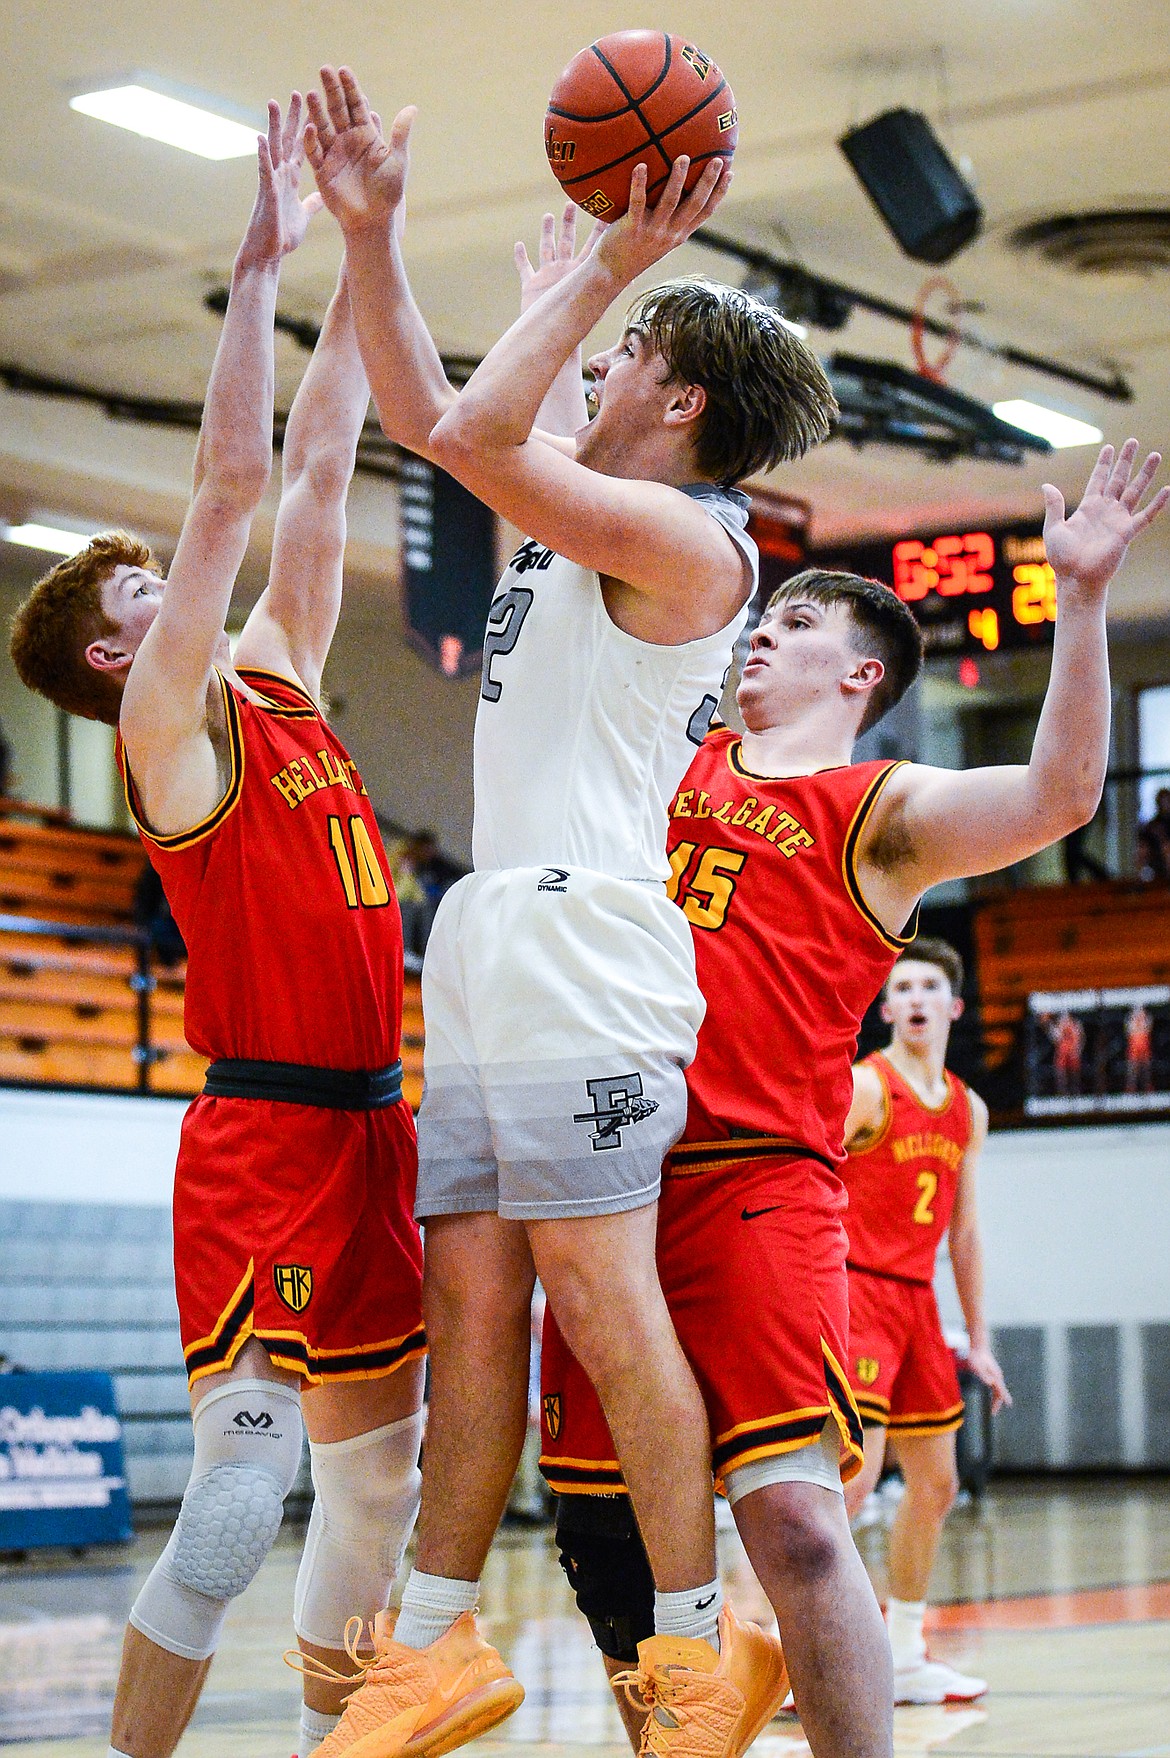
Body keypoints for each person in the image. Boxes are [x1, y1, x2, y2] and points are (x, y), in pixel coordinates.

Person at [299, 63, 837, 1758]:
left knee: (602, 1307)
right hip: (489, 938)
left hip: (586, 944)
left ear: (674, 402)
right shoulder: (567, 503)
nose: (591, 363)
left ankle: (696, 1646)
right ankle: (442, 1643)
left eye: (621, 354)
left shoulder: (690, 545)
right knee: (475, 1307)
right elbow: (428, 407)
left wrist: (599, 269)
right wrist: (373, 233)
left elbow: (459, 430)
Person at [539, 437, 1167, 1758]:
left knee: (800, 1522)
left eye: (794, 622)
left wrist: (1085, 597)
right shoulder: (668, 756)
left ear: (860, 672)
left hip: (756, 1183)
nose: (758, 637)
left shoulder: (874, 809)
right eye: (760, 619)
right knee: (603, 1534)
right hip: (604, 1186)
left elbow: (1056, 796)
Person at [8, 98, 426, 1758]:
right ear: (121, 657)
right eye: (143, 594)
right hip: (263, 1135)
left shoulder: (285, 682)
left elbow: (321, 462)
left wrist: (354, 251)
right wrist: (256, 267)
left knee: (374, 1491)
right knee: (243, 1504)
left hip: (379, 1131)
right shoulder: (165, 731)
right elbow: (241, 473)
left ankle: (345, 1745)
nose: (176, 589)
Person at [840, 939, 1011, 1705]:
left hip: (916, 1301)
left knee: (936, 1483)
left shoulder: (966, 1108)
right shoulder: (865, 1089)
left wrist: (980, 1341)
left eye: (927, 985)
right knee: (852, 1482)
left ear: (953, 1007)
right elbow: (806, 1174)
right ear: (884, 1009)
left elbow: (965, 1234)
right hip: (852, 1293)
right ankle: (796, 1651)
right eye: (900, 985)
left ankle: (904, 1652)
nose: (912, 996)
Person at [1137, 786, 1170, 882]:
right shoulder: (1152, 825)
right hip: (1156, 861)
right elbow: (1143, 845)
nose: (1165, 804)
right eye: (1162, 801)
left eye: (1167, 801)